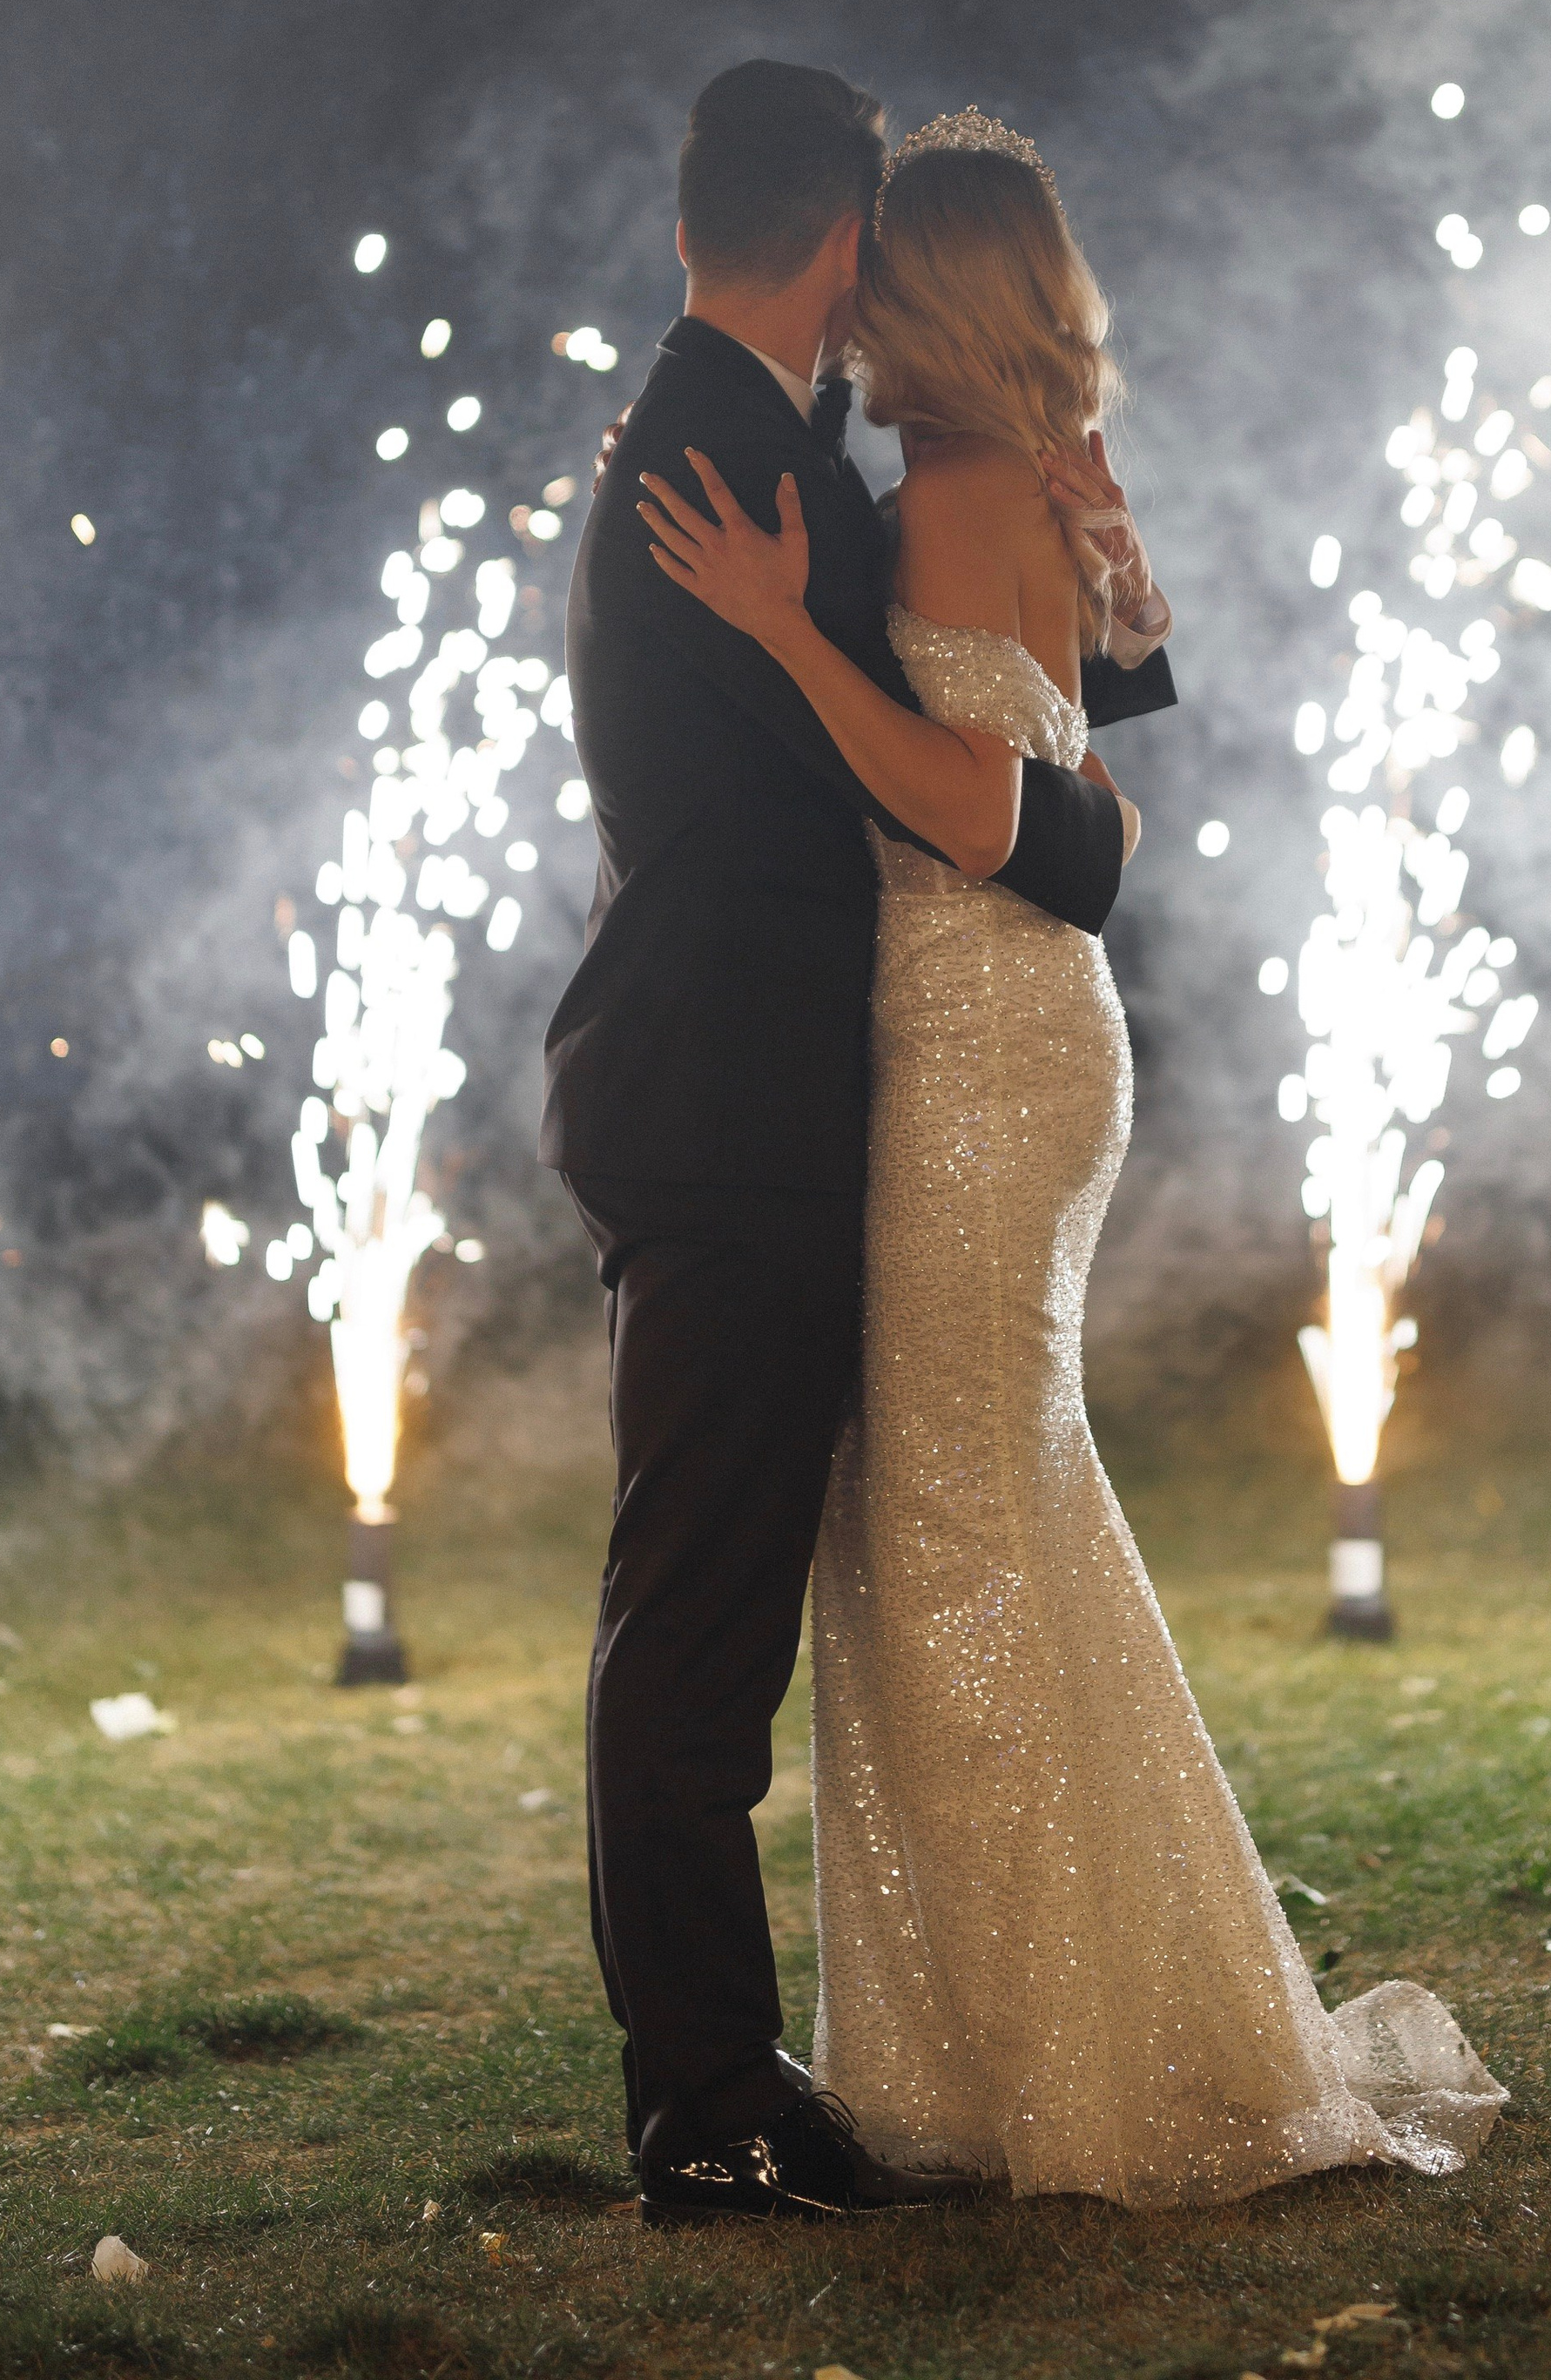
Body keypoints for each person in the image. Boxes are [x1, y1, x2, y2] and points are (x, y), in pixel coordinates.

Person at [637, 108, 1505, 2208]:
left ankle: (1057, 2068)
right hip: (1027, 1045)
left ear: (913, 287)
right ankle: (1059, 2029)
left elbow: (967, 803)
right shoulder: (1020, 476)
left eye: (870, 283)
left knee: (941, 1537)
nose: (842, 320)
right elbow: (1088, 769)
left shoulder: (945, 493)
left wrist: (777, 641)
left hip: (968, 1053)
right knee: (994, 1512)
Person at [542, 61, 1177, 2226]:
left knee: (912, 1555)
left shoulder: (772, 454)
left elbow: (1009, 740)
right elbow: (993, 791)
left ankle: (832, 2067)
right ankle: (713, 2101)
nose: (870, 317)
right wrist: (1081, 792)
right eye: (868, 276)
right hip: (738, 1104)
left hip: (888, 1074)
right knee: (721, 1616)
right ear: (836, 255)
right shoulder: (726, 473)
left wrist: (1078, 573)